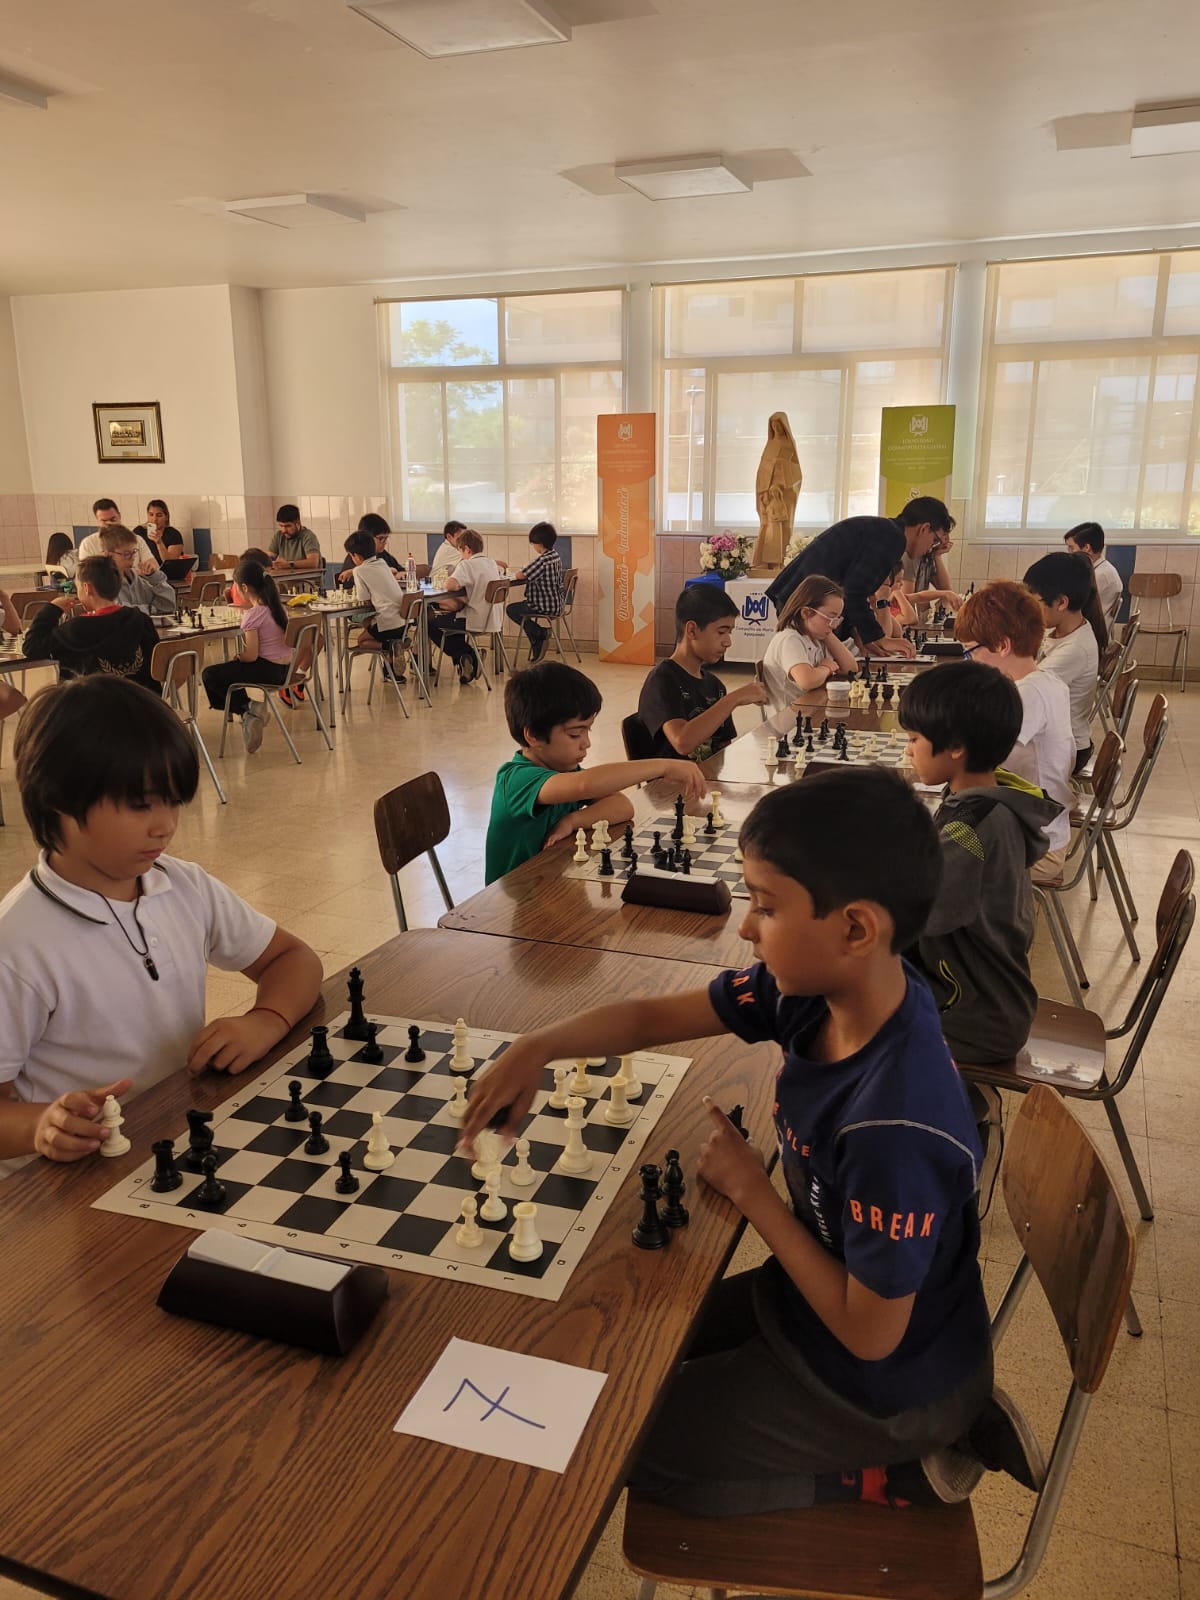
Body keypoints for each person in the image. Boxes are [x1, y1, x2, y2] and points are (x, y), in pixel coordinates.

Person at [466, 770, 1038, 1515]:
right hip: (819, 1300)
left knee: (622, 1448)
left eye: (765, 907)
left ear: (856, 927)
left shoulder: (897, 1128)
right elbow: (647, 1021)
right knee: (624, 1360)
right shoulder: (823, 989)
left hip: (884, 1381)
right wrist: (536, 1046)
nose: (744, 926)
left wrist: (753, 1191)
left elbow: (868, 1336)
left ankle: (901, 1471)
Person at [0, 676, 322, 1177]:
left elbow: (294, 960)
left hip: (175, 1138)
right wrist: (42, 1124)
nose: (165, 825)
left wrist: (266, 1021)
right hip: (76, 1182)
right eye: (140, 805)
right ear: (58, 799)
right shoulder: (16, 944)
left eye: (173, 802)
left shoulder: (180, 884)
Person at [899, 663, 1060, 1065]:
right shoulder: (990, 802)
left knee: (840, 1016)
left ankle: (951, 1115)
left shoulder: (973, 829)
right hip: (990, 997)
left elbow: (920, 914)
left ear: (955, 746)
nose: (908, 748)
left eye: (915, 738)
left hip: (976, 1016)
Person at [485, 662, 706, 883]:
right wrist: (664, 766)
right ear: (533, 735)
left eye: (587, 731)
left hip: (552, 886)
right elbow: (585, 784)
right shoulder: (516, 780)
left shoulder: (563, 772)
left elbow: (623, 807)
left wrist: (573, 820)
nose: (587, 743)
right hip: (514, 905)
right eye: (575, 734)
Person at [954, 582, 1073, 882]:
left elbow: (979, 761)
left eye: (970, 653)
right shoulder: (1045, 680)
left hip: (1036, 846)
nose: (969, 662)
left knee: (933, 862)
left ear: (1001, 646)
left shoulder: (1026, 696)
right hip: (1037, 829)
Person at [766, 497, 958, 659]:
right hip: (803, 601)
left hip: (803, 598)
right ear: (924, 528)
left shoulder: (886, 531)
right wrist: (879, 638)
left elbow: (851, 589)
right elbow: (853, 591)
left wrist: (859, 632)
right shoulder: (891, 537)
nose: (930, 548)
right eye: (935, 541)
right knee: (809, 672)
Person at [638, 586, 768, 761]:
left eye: (730, 632)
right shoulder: (662, 680)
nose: (728, 642)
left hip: (710, 784)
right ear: (691, 630)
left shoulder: (714, 685)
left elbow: (723, 752)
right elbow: (682, 742)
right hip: (672, 785)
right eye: (721, 632)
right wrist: (733, 699)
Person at [23, 556, 161, 693]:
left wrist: (51, 609)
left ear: (87, 588)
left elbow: (31, 647)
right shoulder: (142, 620)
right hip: (144, 706)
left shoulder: (75, 629)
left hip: (91, 708)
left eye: (77, 587)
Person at [1023, 552, 1102, 774]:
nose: (1030, 609)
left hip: (1068, 750)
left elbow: (1026, 689)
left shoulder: (1075, 648)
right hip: (1055, 740)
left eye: (1034, 601)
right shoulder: (1061, 631)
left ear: (1061, 602)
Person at [201, 560, 293, 752]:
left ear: (243, 587)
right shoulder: (280, 609)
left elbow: (251, 656)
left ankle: (248, 709)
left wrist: (239, 656)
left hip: (265, 670)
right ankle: (249, 711)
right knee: (227, 673)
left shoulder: (253, 615)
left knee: (211, 674)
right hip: (286, 671)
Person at [760, 576, 858, 707]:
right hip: (789, 721)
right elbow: (807, 680)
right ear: (806, 613)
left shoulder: (816, 637)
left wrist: (828, 633)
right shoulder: (789, 639)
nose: (834, 625)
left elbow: (850, 668)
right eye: (830, 618)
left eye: (837, 619)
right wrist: (826, 668)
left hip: (809, 709)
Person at [428, 529, 502, 684]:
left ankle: (468, 654)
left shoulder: (467, 565)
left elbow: (450, 585)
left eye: (461, 551)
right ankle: (464, 660)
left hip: (474, 619)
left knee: (429, 623)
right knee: (452, 620)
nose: (461, 556)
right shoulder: (491, 563)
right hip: (493, 619)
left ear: (467, 549)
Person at [342, 529, 409, 679]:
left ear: (356, 556)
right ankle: (393, 666)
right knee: (367, 622)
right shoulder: (382, 562)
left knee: (362, 641)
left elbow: (363, 597)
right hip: (403, 622)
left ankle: (391, 647)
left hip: (387, 623)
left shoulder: (359, 571)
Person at [504, 521, 564, 664]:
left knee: (512, 609)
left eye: (533, 543)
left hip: (542, 606)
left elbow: (521, 575)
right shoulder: (555, 556)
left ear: (539, 543)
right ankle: (537, 640)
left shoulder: (543, 560)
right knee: (521, 610)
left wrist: (517, 571)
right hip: (556, 604)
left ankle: (540, 633)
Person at [99, 525, 176, 615]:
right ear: (108, 554)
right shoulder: (103, 583)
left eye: (134, 552)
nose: (132, 558)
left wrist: (154, 578)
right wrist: (151, 610)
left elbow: (168, 607)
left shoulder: (135, 578)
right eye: (126, 554)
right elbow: (121, 613)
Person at [1065, 522, 1123, 622]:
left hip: (1092, 632)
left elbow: (1075, 609)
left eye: (1071, 548)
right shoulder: (1099, 569)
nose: (1069, 553)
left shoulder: (1101, 575)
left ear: (1087, 548)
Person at [899, 527, 961, 616]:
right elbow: (906, 600)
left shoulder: (928, 555)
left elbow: (945, 588)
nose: (946, 540)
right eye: (943, 535)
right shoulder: (911, 556)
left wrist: (937, 555)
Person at [78, 499, 156, 568]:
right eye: (104, 521)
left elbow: (153, 565)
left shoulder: (136, 539)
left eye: (113, 519)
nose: (109, 524)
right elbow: (87, 575)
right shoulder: (88, 544)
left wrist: (148, 571)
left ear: (119, 516)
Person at [335, 514, 401, 588]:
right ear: (367, 538)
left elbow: (399, 570)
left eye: (386, 538)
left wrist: (400, 574)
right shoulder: (355, 557)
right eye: (381, 538)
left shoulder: (382, 554)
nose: (385, 542)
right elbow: (370, 578)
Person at [269, 505, 321, 574]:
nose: (284, 530)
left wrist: (289, 565)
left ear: (298, 524)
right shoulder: (279, 535)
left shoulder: (308, 536)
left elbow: (313, 563)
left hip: (308, 582)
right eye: (281, 526)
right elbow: (270, 555)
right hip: (284, 581)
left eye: (288, 526)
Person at [134, 500, 185, 566]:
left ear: (166, 517)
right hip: (143, 573)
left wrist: (159, 543)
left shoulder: (174, 534)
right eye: (151, 515)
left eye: (159, 515)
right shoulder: (139, 531)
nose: (154, 519)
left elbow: (170, 563)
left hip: (167, 573)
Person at [430, 521, 467, 588]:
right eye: (460, 538)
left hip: (442, 585)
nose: (464, 542)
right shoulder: (449, 549)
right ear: (449, 537)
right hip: (436, 587)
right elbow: (470, 560)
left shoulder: (451, 547)